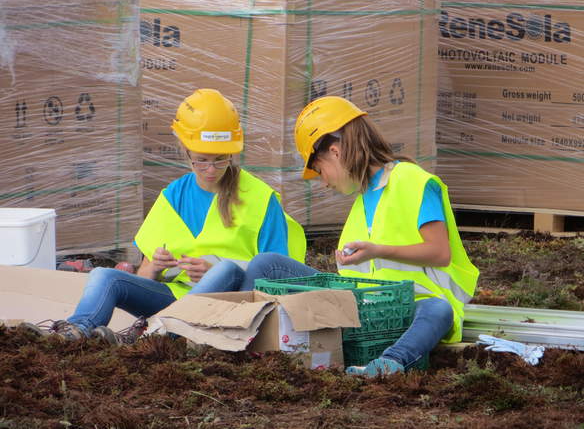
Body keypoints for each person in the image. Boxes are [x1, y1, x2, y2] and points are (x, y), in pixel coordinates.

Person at [23, 88, 306, 344]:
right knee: (103, 276)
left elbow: (274, 278)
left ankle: (158, 335)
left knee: (225, 270)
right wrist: (156, 267)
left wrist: (216, 274)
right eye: (202, 159)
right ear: (185, 150)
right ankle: (76, 331)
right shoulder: (173, 196)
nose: (211, 169)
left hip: (230, 306)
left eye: (221, 159)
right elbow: (145, 274)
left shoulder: (260, 198)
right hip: (173, 302)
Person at [241, 95, 479, 377]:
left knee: (439, 309)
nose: (325, 182)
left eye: (320, 170)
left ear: (336, 151)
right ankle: (236, 343)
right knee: (266, 265)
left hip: (410, 309)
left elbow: (440, 252)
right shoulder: (362, 200)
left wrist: (378, 250)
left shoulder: (413, 181)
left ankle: (389, 364)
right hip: (362, 312)